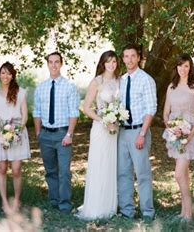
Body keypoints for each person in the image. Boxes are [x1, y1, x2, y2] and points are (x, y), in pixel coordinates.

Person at [33, 52, 80, 214]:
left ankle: (65, 203)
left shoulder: (69, 86)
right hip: (46, 135)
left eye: (57, 62)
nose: (54, 65)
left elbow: (74, 113)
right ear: (47, 64)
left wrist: (69, 134)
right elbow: (37, 111)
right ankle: (54, 199)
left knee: (64, 171)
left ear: (61, 64)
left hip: (62, 134)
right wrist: (39, 132)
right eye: (51, 62)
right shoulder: (41, 87)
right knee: (51, 170)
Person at [77, 50, 120, 220]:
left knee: (111, 165)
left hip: (115, 129)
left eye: (114, 62)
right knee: (100, 164)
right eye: (108, 62)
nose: (111, 65)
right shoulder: (96, 82)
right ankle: (96, 207)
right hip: (100, 129)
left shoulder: (119, 81)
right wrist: (103, 120)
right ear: (103, 63)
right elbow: (86, 108)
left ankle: (110, 206)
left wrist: (115, 119)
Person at [162, 54, 194, 221]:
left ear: (190, 68)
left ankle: (187, 212)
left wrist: (189, 134)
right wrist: (172, 129)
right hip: (175, 134)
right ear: (176, 67)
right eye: (180, 66)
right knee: (184, 174)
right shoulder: (171, 87)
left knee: (179, 174)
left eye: (186, 66)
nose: (183, 69)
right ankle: (185, 212)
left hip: (189, 134)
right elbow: (166, 114)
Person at [118, 44, 157, 222]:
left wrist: (142, 133)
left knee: (142, 173)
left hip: (138, 131)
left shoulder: (146, 79)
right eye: (126, 56)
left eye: (133, 56)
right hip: (122, 132)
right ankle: (127, 210)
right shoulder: (122, 80)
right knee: (123, 172)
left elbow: (151, 108)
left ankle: (147, 212)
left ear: (139, 57)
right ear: (123, 59)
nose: (129, 60)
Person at [0, 62, 31, 214]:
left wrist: (18, 131)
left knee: (16, 169)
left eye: (8, 73)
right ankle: (4, 202)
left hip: (17, 133)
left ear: (12, 75)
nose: (5, 76)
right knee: (1, 168)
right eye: (2, 73)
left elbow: (25, 114)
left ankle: (17, 201)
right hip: (0, 134)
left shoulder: (20, 92)